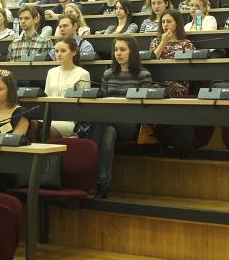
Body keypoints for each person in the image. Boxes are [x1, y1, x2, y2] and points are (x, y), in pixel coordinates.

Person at [91, 35, 153, 198]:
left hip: (130, 123)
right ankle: (103, 183)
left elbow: (144, 107)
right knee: (108, 132)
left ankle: (85, 167)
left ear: (132, 52)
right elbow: (102, 102)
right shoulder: (108, 74)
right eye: (116, 50)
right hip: (109, 123)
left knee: (100, 125)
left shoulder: (143, 75)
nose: (118, 53)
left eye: (122, 49)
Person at [45, 38, 91, 137]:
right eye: (56, 51)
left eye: (63, 51)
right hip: (50, 117)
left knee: (44, 128)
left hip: (70, 121)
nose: (59, 54)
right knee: (32, 124)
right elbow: (46, 97)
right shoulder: (51, 72)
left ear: (74, 52)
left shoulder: (83, 74)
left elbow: (84, 106)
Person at [150, 10, 194, 96]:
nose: (165, 24)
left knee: (159, 89)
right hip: (158, 80)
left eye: (169, 21)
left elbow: (187, 69)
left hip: (178, 84)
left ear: (177, 23)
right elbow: (151, 61)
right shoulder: (156, 42)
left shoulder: (186, 44)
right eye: (163, 22)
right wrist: (163, 42)